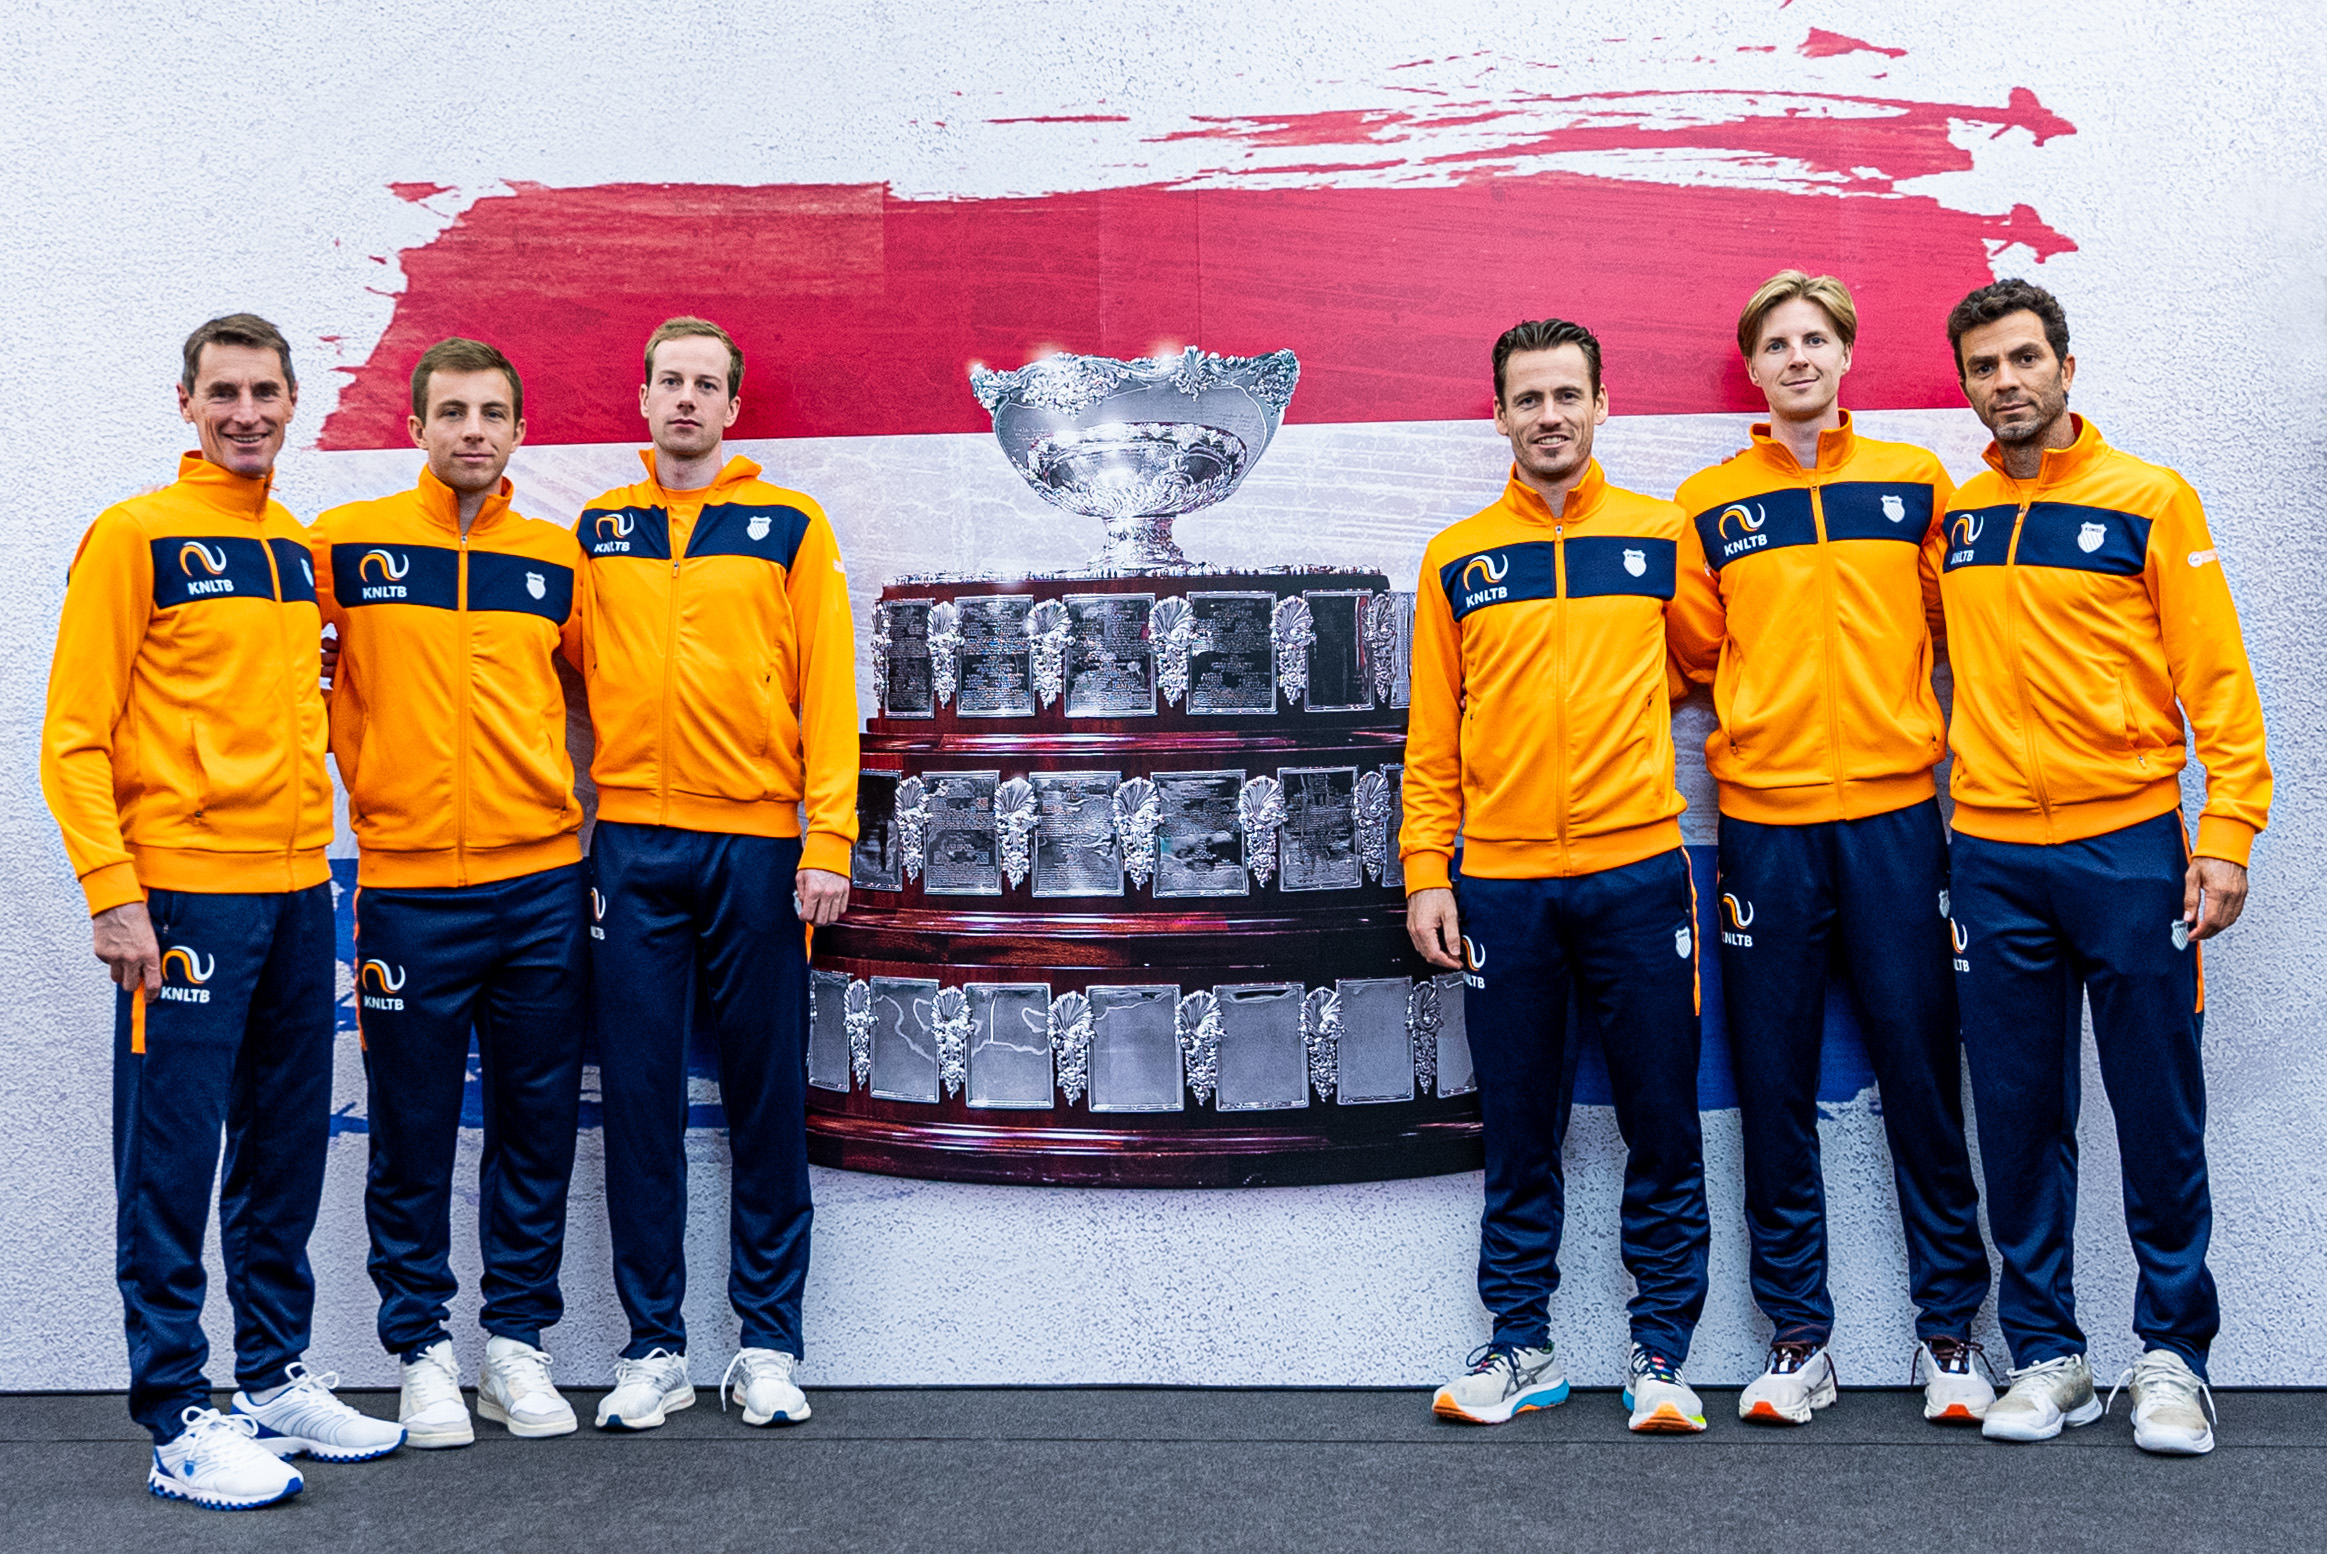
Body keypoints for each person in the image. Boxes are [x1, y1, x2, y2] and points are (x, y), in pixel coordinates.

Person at [40, 315, 404, 1511]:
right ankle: (175, 1414)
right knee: (171, 1158)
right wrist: (113, 894)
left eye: (265, 391)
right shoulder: (136, 535)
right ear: (186, 403)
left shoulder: (298, 552)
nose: (245, 411)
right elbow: (72, 738)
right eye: (223, 392)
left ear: (294, 403)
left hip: (301, 890)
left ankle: (272, 1377)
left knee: (284, 1148)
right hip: (183, 894)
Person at [1938, 279, 2270, 1455]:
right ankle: (2046, 1356)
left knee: (2156, 1114)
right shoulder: (1957, 522)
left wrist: (2224, 833)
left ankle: (2172, 1357)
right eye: (1982, 368)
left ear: (2065, 368)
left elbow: (2215, 681)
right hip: (1988, 859)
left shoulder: (2146, 498)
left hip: (2129, 851)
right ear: (1966, 384)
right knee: (2021, 1119)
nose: (2004, 383)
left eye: (2023, 359)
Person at [1668, 272, 1993, 1426]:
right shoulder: (1706, 503)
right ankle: (1797, 1339)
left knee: (1919, 1070)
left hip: (1902, 821)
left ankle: (1948, 1335)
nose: (1796, 357)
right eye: (1774, 344)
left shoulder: (1914, 481)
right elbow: (1702, 655)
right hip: (1764, 827)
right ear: (1749, 368)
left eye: (1814, 339)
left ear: (1844, 355)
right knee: (1771, 1084)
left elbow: (1956, 627)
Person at [1406, 318, 1713, 1433]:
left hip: (1637, 874)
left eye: (1565, 396)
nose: (1547, 416)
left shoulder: (1658, 536)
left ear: (1598, 406)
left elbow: (1697, 661)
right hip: (1500, 884)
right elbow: (1431, 735)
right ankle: (1520, 1344)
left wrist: (1607, 736)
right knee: (1518, 1127)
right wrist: (1423, 872)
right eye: (1526, 398)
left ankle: (1661, 1354)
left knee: (1659, 1122)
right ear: (1498, 415)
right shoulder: (1457, 558)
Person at [576, 317, 859, 1430]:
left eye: (707, 385)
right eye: (669, 382)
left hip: (755, 847)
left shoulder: (786, 524)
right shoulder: (595, 532)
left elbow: (827, 688)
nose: (686, 400)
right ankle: (651, 1347)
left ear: (733, 409)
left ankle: (768, 1343)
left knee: (765, 1100)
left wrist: (825, 839)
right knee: (638, 1103)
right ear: (641, 398)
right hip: (632, 847)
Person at [309, 338, 590, 1448]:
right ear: (416, 427)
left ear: (519, 431)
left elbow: (607, 705)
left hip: (539, 889)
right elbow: (278, 670)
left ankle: (515, 1345)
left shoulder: (558, 562)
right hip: (408, 890)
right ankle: (418, 1347)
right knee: (414, 1130)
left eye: (491, 413)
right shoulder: (346, 544)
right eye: (451, 412)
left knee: (534, 1127)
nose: (472, 430)